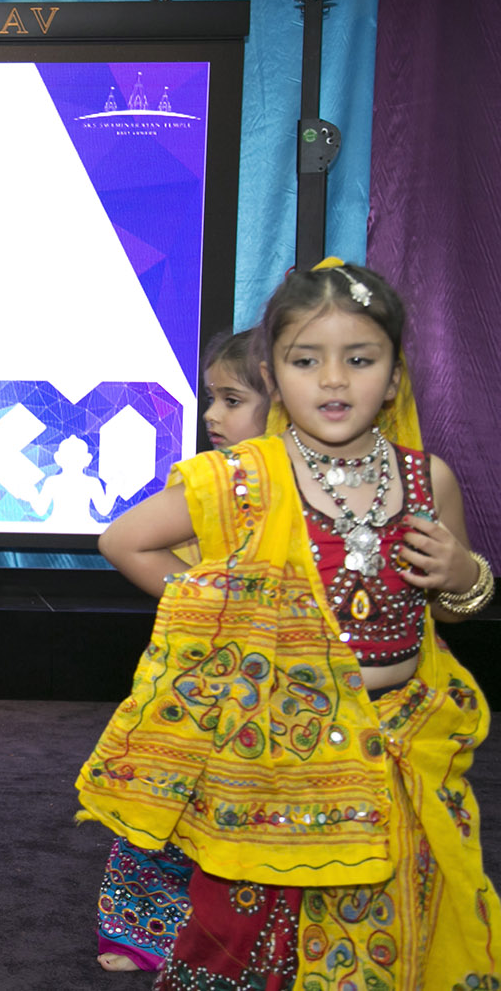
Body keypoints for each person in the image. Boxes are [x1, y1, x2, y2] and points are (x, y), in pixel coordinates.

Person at [83, 261, 498, 988]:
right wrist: (231, 617)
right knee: (246, 928)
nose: (333, 381)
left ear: (396, 377)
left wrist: (465, 577)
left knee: (399, 918)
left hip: (401, 739)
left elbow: (450, 607)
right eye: (306, 361)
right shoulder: (242, 477)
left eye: (359, 360)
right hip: (278, 752)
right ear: (275, 376)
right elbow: (124, 540)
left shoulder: (426, 479)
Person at [95, 328, 269, 973]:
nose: (211, 416)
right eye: (210, 398)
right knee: (167, 806)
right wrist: (220, 605)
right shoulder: (228, 481)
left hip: (295, 692)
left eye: (231, 400)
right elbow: (122, 542)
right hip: (205, 682)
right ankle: (145, 932)